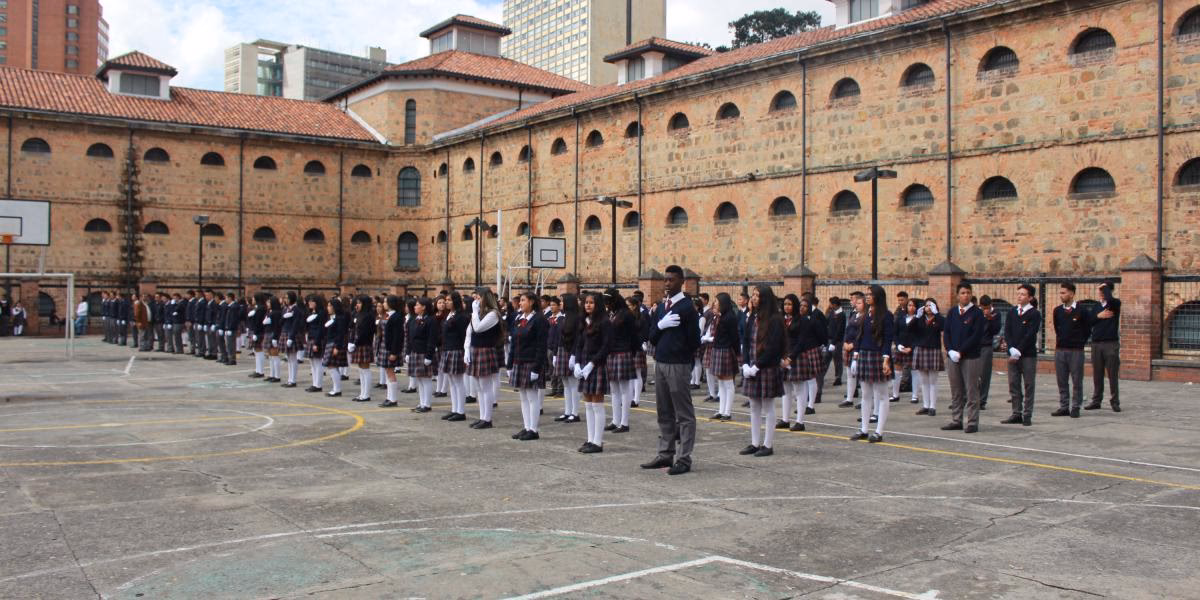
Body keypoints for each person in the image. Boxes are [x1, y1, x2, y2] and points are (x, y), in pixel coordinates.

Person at [641, 265, 701, 476]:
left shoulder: (687, 308)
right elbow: (652, 336)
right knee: (664, 411)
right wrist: (661, 325)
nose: (667, 283)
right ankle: (665, 453)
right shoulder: (661, 307)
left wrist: (680, 351)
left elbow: (695, 341)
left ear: (681, 282)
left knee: (683, 414)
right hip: (661, 362)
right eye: (665, 280)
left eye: (671, 280)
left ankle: (684, 458)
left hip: (678, 364)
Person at [740, 285, 785, 457]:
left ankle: (768, 444)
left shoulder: (775, 319)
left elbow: (773, 347)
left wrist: (757, 366)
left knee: (768, 406)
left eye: (757, 295)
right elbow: (745, 341)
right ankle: (754, 443)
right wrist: (745, 364)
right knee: (753, 405)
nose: (753, 298)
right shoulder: (753, 316)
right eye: (753, 295)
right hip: (752, 366)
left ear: (765, 298)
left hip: (766, 368)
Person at [848, 285, 894, 443]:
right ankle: (864, 429)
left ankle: (879, 432)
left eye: (870, 294)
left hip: (878, 356)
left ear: (878, 297)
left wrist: (886, 359)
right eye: (866, 294)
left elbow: (888, 339)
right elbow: (859, 337)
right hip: (864, 355)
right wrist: (855, 356)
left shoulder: (886, 316)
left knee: (882, 395)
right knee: (865, 395)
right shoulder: (865, 314)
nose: (867, 296)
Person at [942, 283, 986, 433]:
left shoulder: (977, 313)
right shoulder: (952, 312)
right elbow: (947, 333)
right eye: (962, 293)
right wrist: (949, 350)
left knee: (972, 390)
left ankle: (972, 422)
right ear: (957, 295)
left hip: (970, 357)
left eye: (968, 292)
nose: (965, 295)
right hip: (953, 357)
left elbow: (976, 336)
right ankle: (956, 419)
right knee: (956, 390)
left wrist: (961, 351)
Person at [507, 292, 548, 441]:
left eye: (523, 300)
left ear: (531, 302)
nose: (520, 303)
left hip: (531, 361)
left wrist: (536, 368)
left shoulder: (539, 320)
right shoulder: (519, 318)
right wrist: (510, 364)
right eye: (520, 301)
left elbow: (541, 346)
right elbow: (513, 343)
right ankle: (526, 427)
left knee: (532, 397)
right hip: (519, 361)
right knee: (523, 396)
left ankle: (533, 429)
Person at [574, 291, 611, 453]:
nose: (588, 305)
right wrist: (577, 363)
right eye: (586, 302)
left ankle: (598, 442)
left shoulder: (604, 322)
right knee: (588, 404)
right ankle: (590, 439)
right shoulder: (584, 321)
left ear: (598, 305)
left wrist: (592, 364)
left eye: (591, 302)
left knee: (597, 404)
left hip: (597, 366)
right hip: (584, 365)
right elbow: (579, 344)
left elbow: (606, 346)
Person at [1052, 282, 1094, 418]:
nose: (1061, 295)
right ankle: (1064, 406)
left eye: (1063, 293)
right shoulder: (1057, 311)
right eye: (1060, 293)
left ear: (1071, 294)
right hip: (1060, 349)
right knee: (1061, 380)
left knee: (1077, 380)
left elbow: (1087, 329)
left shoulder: (1082, 311)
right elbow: (1057, 327)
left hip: (1076, 351)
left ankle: (1076, 406)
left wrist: (1079, 342)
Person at [1001, 284, 1040, 426]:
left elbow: (1030, 334)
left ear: (1030, 297)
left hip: (1027, 354)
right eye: (1018, 293)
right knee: (1014, 384)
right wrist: (1011, 348)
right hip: (1012, 354)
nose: (1019, 296)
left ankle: (1027, 414)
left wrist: (1019, 350)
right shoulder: (1012, 312)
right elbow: (1007, 331)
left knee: (1029, 384)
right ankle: (1016, 412)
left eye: (1023, 294)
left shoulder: (1034, 314)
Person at [465, 287, 504, 429]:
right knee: (479, 387)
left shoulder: (493, 314)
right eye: (475, 298)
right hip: (475, 350)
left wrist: (474, 312)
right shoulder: (478, 313)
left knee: (485, 386)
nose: (476, 301)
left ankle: (487, 419)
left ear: (485, 298)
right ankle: (482, 417)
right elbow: (469, 332)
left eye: (478, 298)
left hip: (485, 350)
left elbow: (478, 328)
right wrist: (466, 350)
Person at [604, 288, 638, 434]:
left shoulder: (626, 314)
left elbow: (633, 335)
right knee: (614, 390)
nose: (607, 304)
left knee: (624, 389)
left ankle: (624, 423)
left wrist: (632, 351)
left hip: (623, 352)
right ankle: (615, 420)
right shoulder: (612, 313)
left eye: (609, 302)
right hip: (612, 353)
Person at [704, 293, 740, 421]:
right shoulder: (720, 316)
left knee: (728, 382)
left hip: (726, 350)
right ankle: (721, 410)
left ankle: (727, 412)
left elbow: (735, 337)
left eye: (717, 301)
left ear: (723, 303)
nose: (715, 304)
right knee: (721, 382)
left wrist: (737, 354)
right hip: (718, 349)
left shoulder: (730, 317)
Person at [1087, 282, 1121, 412]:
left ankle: (1115, 401)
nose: (1100, 292)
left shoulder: (1114, 304)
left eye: (1103, 290)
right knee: (1097, 374)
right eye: (1099, 290)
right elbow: (1089, 321)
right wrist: (1098, 316)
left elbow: (1110, 299)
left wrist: (1105, 288)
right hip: (1096, 343)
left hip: (1110, 343)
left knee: (1112, 374)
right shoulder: (1096, 306)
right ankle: (1096, 400)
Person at [909, 297, 945, 417]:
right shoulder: (920, 319)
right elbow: (909, 328)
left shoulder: (938, 319)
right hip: (921, 349)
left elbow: (945, 326)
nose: (928, 308)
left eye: (931, 305)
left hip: (933, 349)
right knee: (924, 381)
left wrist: (937, 314)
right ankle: (926, 405)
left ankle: (932, 407)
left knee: (933, 381)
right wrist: (916, 317)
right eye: (927, 305)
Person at [436, 292, 469, 419]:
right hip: (447, 349)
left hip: (456, 349)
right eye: (446, 300)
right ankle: (454, 409)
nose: (446, 302)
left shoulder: (461, 316)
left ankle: (461, 411)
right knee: (451, 381)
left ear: (455, 301)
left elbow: (463, 336)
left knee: (458, 381)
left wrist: (464, 352)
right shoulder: (449, 315)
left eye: (449, 300)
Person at [405, 296, 439, 411]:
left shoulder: (430, 320)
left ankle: (427, 404)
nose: (415, 307)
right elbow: (410, 338)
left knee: (426, 379)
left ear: (424, 307)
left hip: (424, 353)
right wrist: (408, 352)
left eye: (417, 305)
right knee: (419, 379)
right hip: (415, 352)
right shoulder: (413, 319)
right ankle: (421, 403)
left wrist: (429, 356)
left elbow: (432, 339)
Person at [553, 293, 583, 424]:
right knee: (565, 383)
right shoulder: (563, 317)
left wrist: (574, 355)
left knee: (573, 384)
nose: (561, 303)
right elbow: (558, 336)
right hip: (561, 350)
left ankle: (575, 413)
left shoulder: (577, 318)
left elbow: (578, 338)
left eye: (562, 301)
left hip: (571, 351)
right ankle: (567, 411)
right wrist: (555, 354)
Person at [348, 295, 376, 402]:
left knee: (365, 369)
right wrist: (354, 314)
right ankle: (362, 393)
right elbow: (352, 327)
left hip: (364, 344)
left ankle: (366, 394)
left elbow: (365, 332)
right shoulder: (358, 314)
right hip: (358, 343)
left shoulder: (368, 316)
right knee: (361, 370)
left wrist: (355, 343)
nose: (357, 305)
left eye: (359, 303)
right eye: (357, 303)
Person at [977, 295, 1003, 410]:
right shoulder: (977, 313)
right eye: (983, 308)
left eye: (987, 308)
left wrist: (989, 318)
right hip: (975, 345)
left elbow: (995, 330)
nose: (985, 310)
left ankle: (982, 400)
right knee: (971, 373)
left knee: (984, 374)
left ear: (991, 305)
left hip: (986, 346)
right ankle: (968, 397)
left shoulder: (996, 314)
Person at [893, 298, 918, 405]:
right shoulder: (900, 318)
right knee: (897, 371)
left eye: (913, 305)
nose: (911, 307)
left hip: (912, 348)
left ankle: (915, 396)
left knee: (914, 372)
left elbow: (919, 336)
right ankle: (895, 395)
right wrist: (898, 345)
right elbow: (895, 333)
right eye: (909, 305)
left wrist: (911, 347)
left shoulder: (918, 319)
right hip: (900, 347)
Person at [323, 296, 350, 397]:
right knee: (333, 366)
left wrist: (337, 347)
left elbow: (340, 334)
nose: (328, 308)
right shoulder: (331, 318)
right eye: (328, 306)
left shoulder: (340, 318)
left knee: (332, 366)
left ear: (335, 307)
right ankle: (335, 388)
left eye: (330, 306)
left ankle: (337, 389)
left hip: (335, 343)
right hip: (330, 342)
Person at [279, 292, 304, 387]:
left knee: (293, 358)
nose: (285, 300)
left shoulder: (296, 310)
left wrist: (291, 337)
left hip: (292, 334)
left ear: (292, 298)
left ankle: (293, 380)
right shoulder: (285, 309)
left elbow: (296, 324)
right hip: (285, 332)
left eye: (287, 298)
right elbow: (280, 322)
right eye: (285, 298)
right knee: (289, 358)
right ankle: (290, 379)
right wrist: (284, 316)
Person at [304, 294, 327, 393]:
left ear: (317, 303)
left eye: (312, 301)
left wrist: (316, 343)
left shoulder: (321, 313)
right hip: (311, 338)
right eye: (309, 301)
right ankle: (314, 383)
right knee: (312, 363)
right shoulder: (311, 312)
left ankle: (318, 385)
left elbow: (321, 329)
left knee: (318, 363)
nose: (309, 303)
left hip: (317, 339)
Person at [893, 290, 913, 398]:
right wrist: (897, 342)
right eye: (899, 300)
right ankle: (901, 384)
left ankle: (906, 383)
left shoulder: (911, 310)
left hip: (909, 342)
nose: (900, 302)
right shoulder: (898, 311)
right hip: (899, 342)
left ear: (906, 299)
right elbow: (895, 325)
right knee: (898, 365)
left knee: (908, 366)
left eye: (902, 300)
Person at [825, 296, 846, 387]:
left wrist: (834, 342)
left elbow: (839, 330)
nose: (830, 305)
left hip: (837, 341)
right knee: (826, 358)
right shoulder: (831, 313)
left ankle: (838, 377)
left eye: (831, 304)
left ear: (835, 304)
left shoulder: (841, 315)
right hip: (829, 339)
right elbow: (826, 322)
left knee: (837, 359)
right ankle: (821, 375)